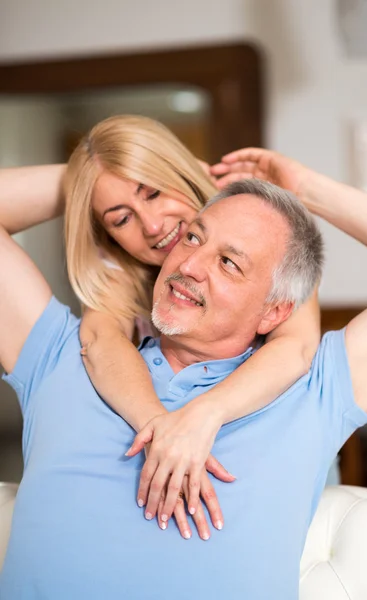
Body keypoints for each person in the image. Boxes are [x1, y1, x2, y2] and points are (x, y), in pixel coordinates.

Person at [1, 170, 367, 599]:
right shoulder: (63, 356)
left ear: (273, 312)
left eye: (229, 263)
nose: (188, 265)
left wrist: (305, 186)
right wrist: (95, 176)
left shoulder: (314, 392)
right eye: (192, 238)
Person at [0, 116, 322, 538]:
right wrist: (85, 173)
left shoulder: (265, 239)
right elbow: (100, 339)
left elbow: (296, 349)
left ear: (179, 170)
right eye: (120, 218)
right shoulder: (117, 269)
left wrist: (202, 416)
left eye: (153, 191)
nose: (152, 226)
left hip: (268, 466)